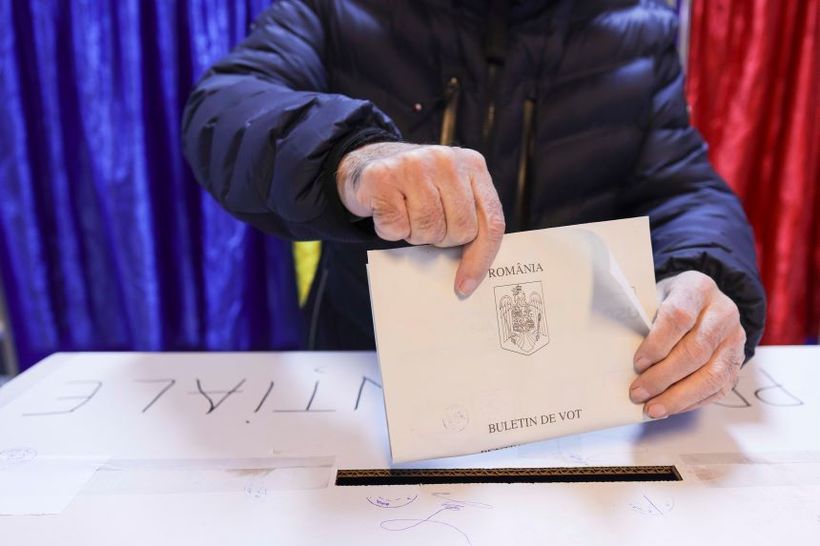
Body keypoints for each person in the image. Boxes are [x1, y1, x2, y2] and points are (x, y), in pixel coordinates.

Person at [182, 0, 766, 419]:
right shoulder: (338, 9)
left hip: (569, 396)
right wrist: (352, 156)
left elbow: (681, 186)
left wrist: (703, 275)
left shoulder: (636, 25)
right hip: (363, 379)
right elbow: (226, 107)